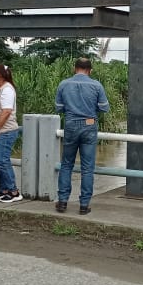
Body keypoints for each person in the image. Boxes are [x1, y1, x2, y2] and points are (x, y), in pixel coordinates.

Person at [55, 58, 110, 215]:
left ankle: (62, 201)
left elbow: (59, 108)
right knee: (87, 168)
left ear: (75, 68)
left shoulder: (64, 84)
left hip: (71, 124)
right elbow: (104, 108)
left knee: (66, 164)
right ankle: (84, 205)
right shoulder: (96, 85)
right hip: (89, 125)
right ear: (90, 70)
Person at [0, 64, 22, 203]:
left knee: (2, 161)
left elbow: (6, 111)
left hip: (5, 131)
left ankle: (14, 191)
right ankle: (4, 189)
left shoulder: (7, 90)